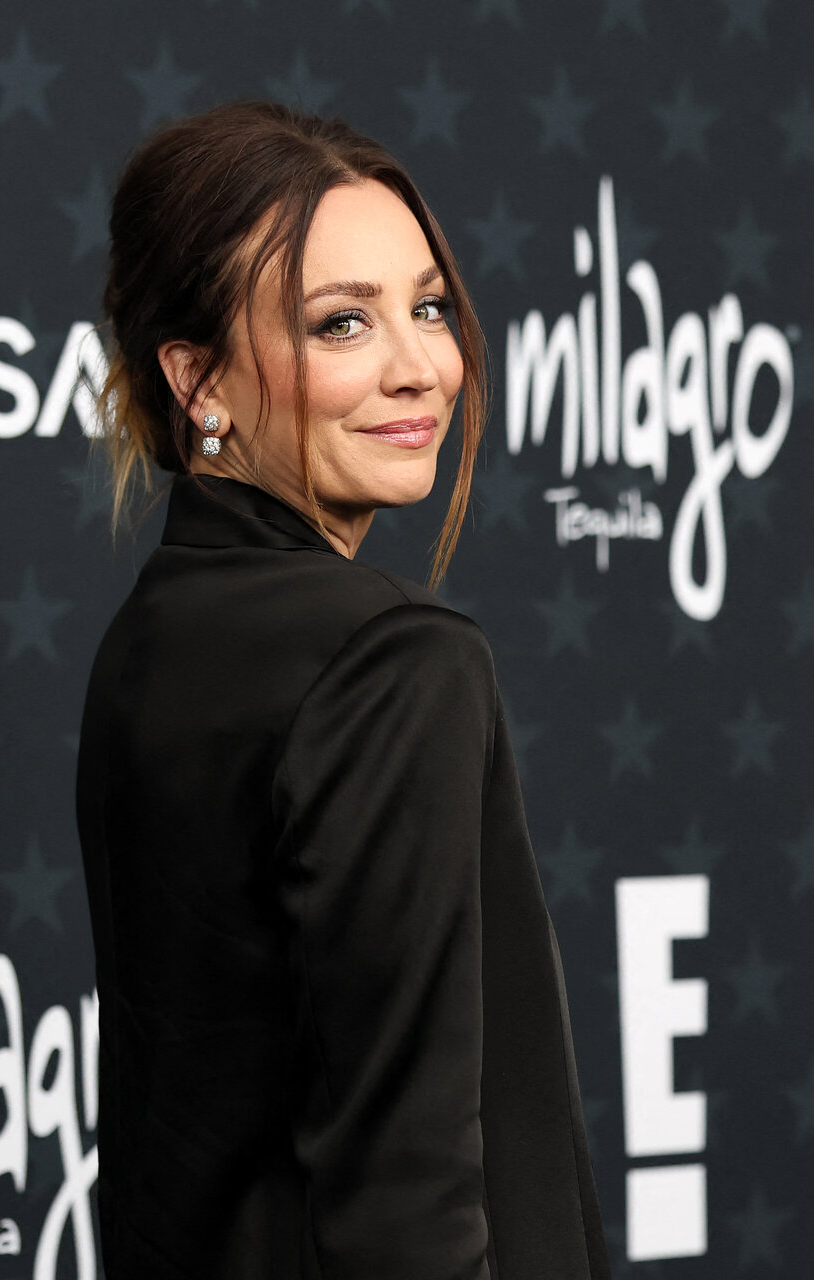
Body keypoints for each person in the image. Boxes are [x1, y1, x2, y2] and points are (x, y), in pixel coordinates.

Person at [74, 100, 611, 1279]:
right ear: (197, 377)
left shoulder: (150, 637)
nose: (420, 366)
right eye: (342, 323)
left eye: (428, 307)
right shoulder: (393, 659)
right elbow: (406, 1196)